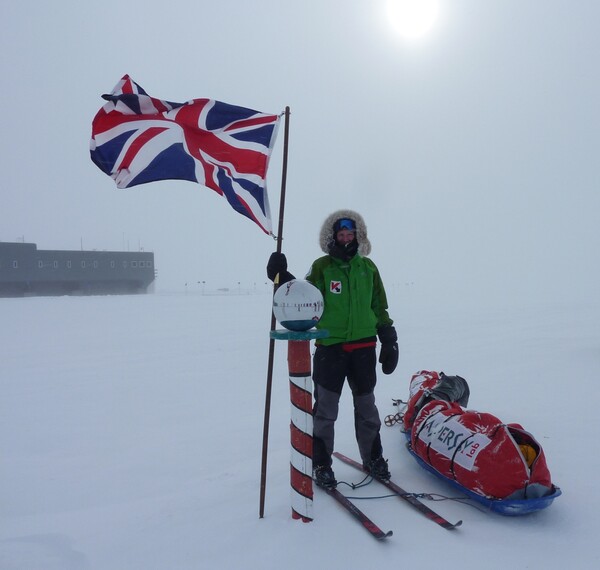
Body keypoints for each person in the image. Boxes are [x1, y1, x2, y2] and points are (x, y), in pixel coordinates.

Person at [267, 209, 399, 489]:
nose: (346, 237)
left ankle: (374, 458)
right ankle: (321, 464)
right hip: (331, 347)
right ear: (333, 237)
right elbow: (305, 296)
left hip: (364, 346)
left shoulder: (369, 268)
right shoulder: (322, 267)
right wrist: (281, 277)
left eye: (350, 233)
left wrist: (388, 336)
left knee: (367, 407)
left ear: (358, 235)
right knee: (326, 409)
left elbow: (379, 305)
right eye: (341, 233)